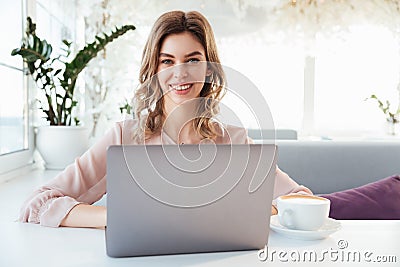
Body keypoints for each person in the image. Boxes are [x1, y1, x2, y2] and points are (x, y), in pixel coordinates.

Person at [19, 10, 312, 228]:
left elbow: (299, 198)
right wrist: (124, 218)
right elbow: (38, 204)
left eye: (193, 60)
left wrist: (237, 213)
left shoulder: (234, 141)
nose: (180, 74)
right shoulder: (124, 137)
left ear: (209, 69)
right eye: (167, 61)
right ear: (154, 70)